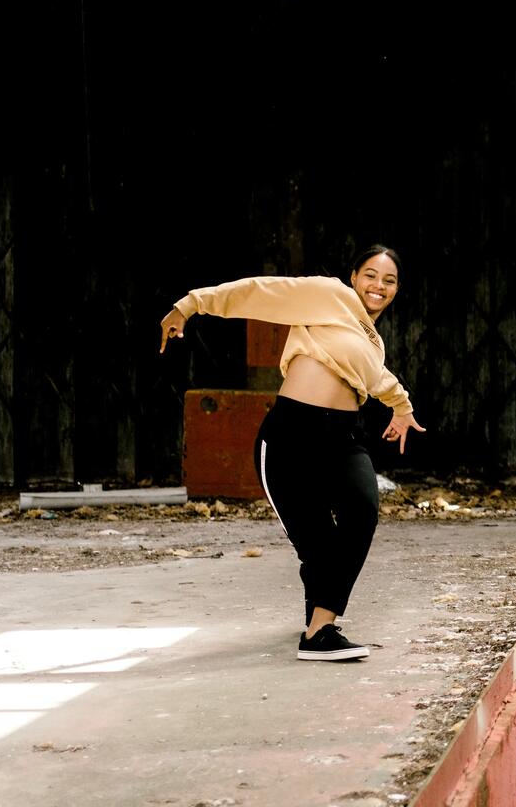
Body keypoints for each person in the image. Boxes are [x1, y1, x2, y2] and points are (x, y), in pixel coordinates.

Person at [158, 245, 426, 661]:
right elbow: (261, 291)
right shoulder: (330, 295)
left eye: (389, 281)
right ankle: (320, 628)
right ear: (354, 276)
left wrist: (403, 406)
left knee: (362, 509)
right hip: (291, 436)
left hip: (342, 437)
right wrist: (190, 304)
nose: (378, 286)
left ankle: (320, 627)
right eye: (371, 275)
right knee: (317, 545)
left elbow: (377, 377)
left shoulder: (371, 341)